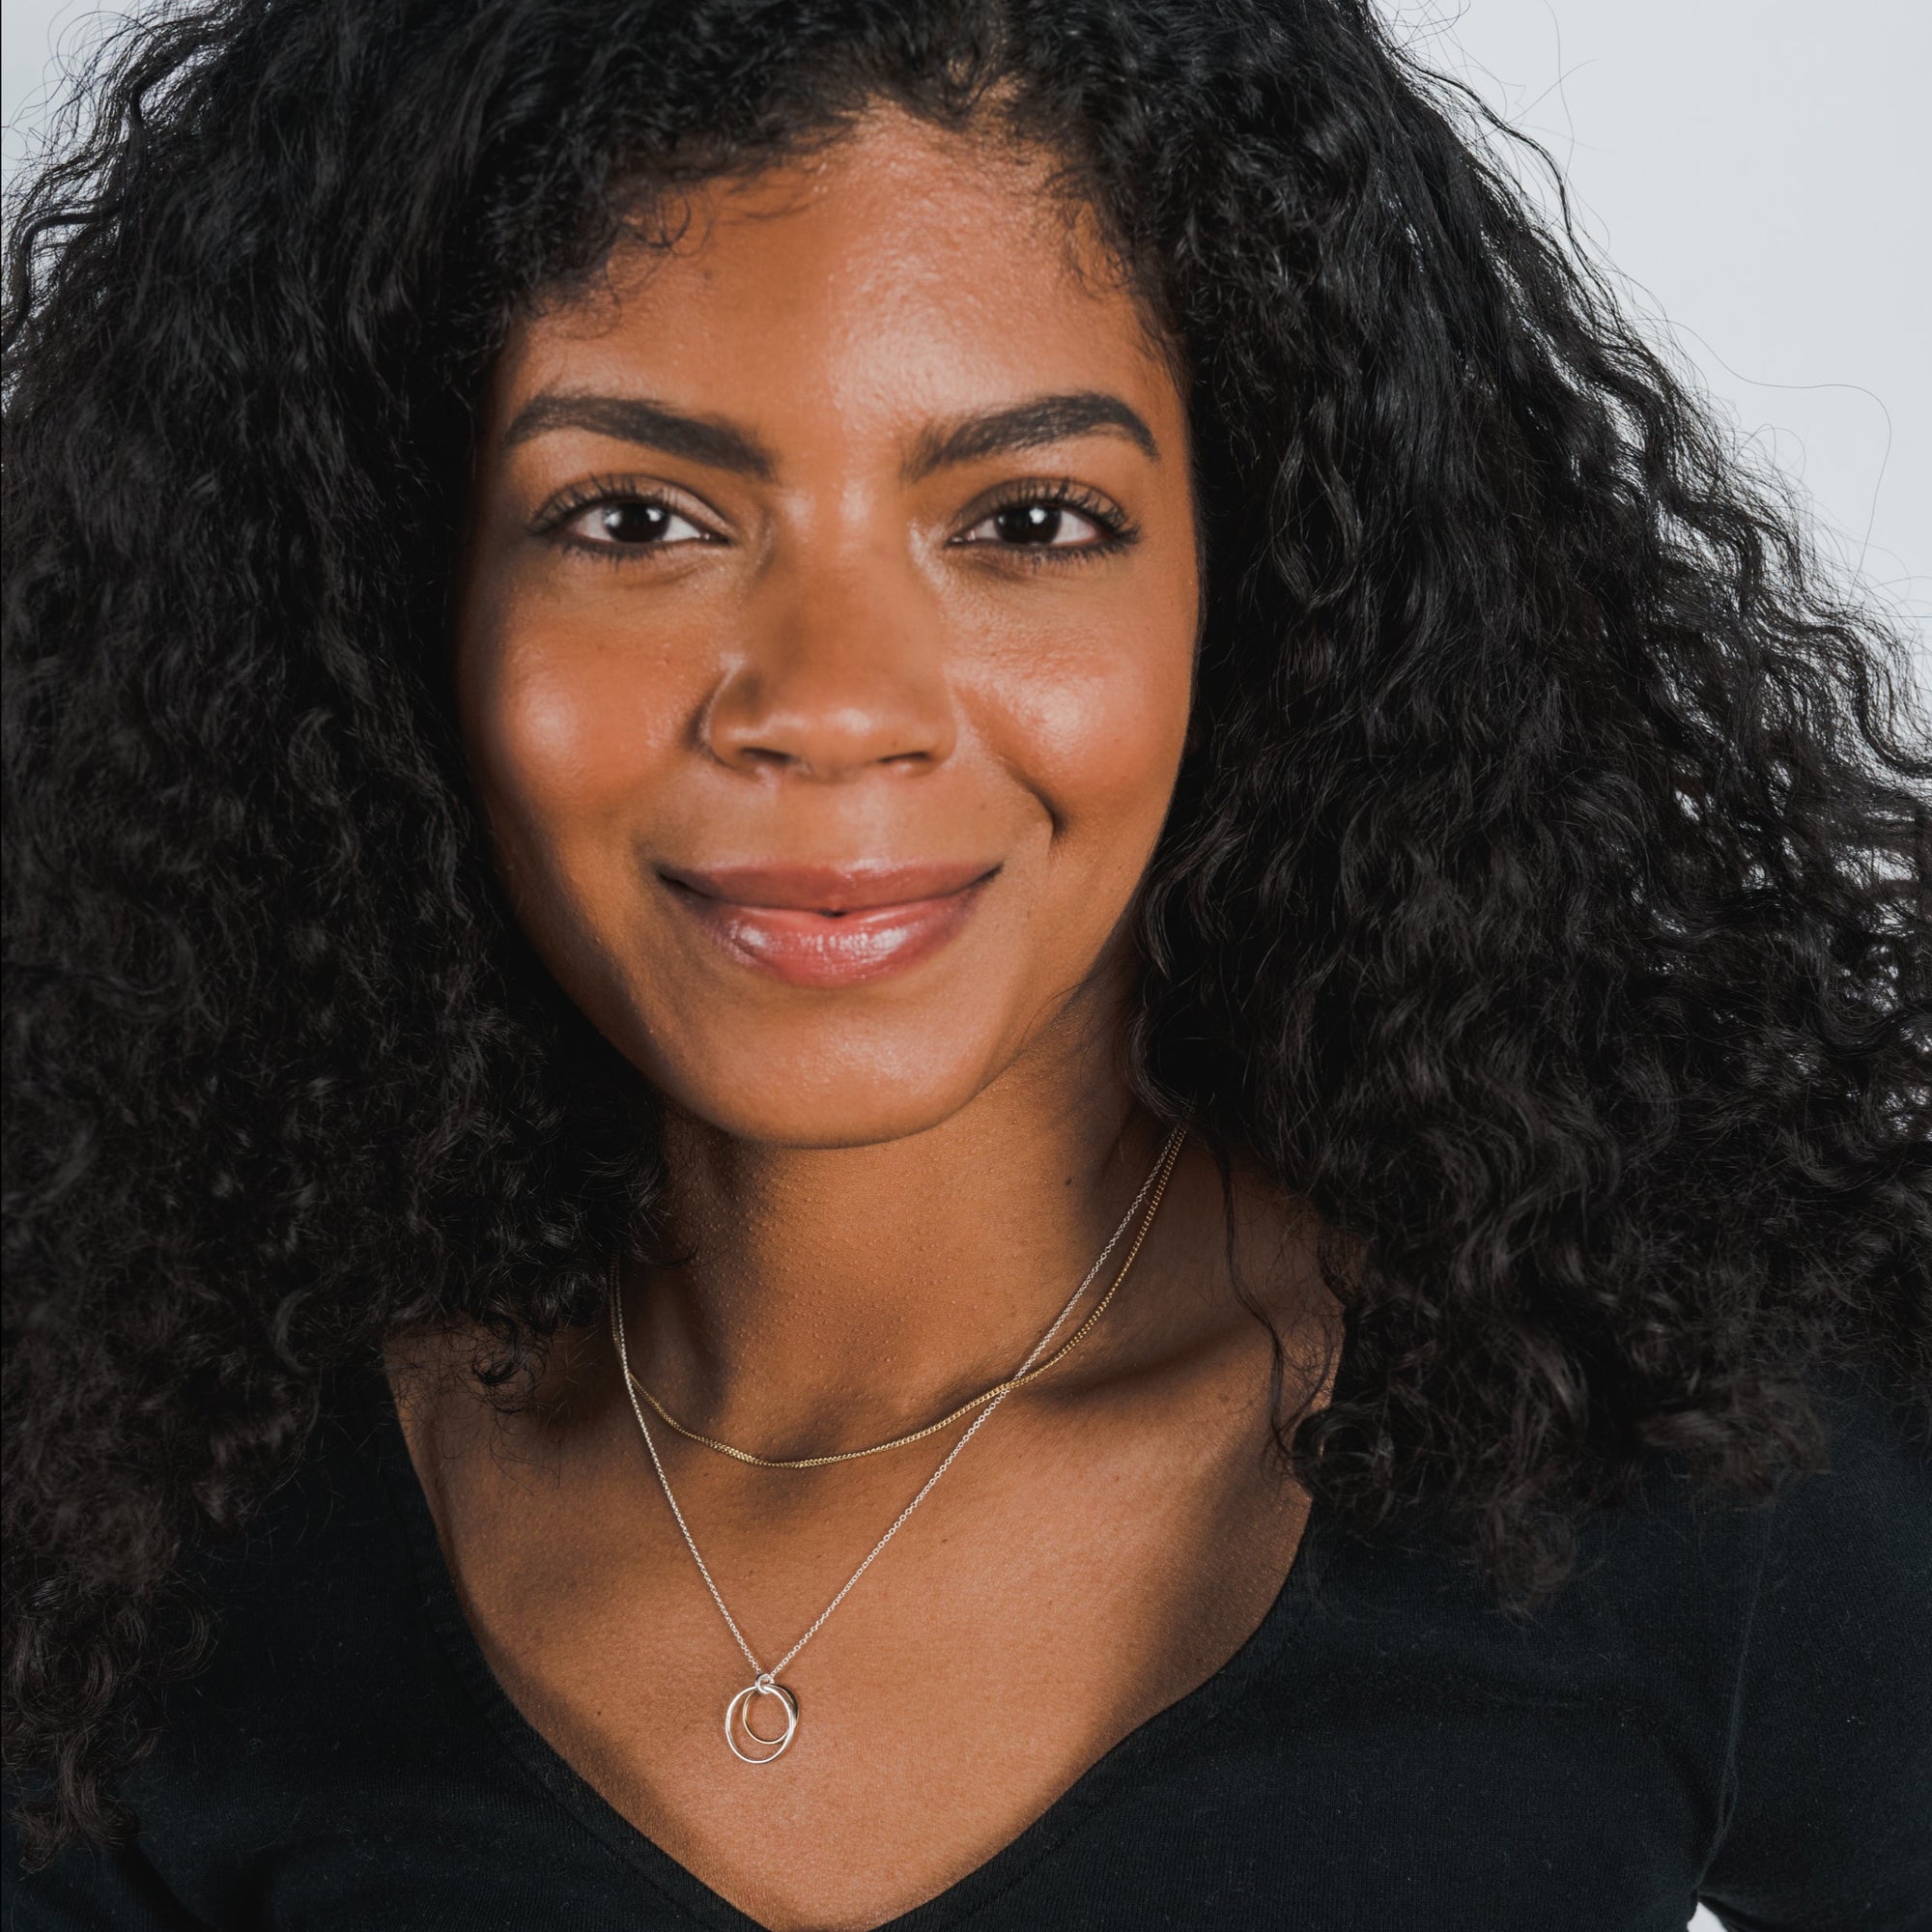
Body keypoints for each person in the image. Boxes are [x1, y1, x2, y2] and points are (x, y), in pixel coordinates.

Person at [4, 2, 1926, 1926]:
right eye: (636, 517)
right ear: (385, 601)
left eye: (1027, 519)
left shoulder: (1681, 1451)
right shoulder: (134, 1550)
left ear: (1250, 593)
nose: (832, 706)